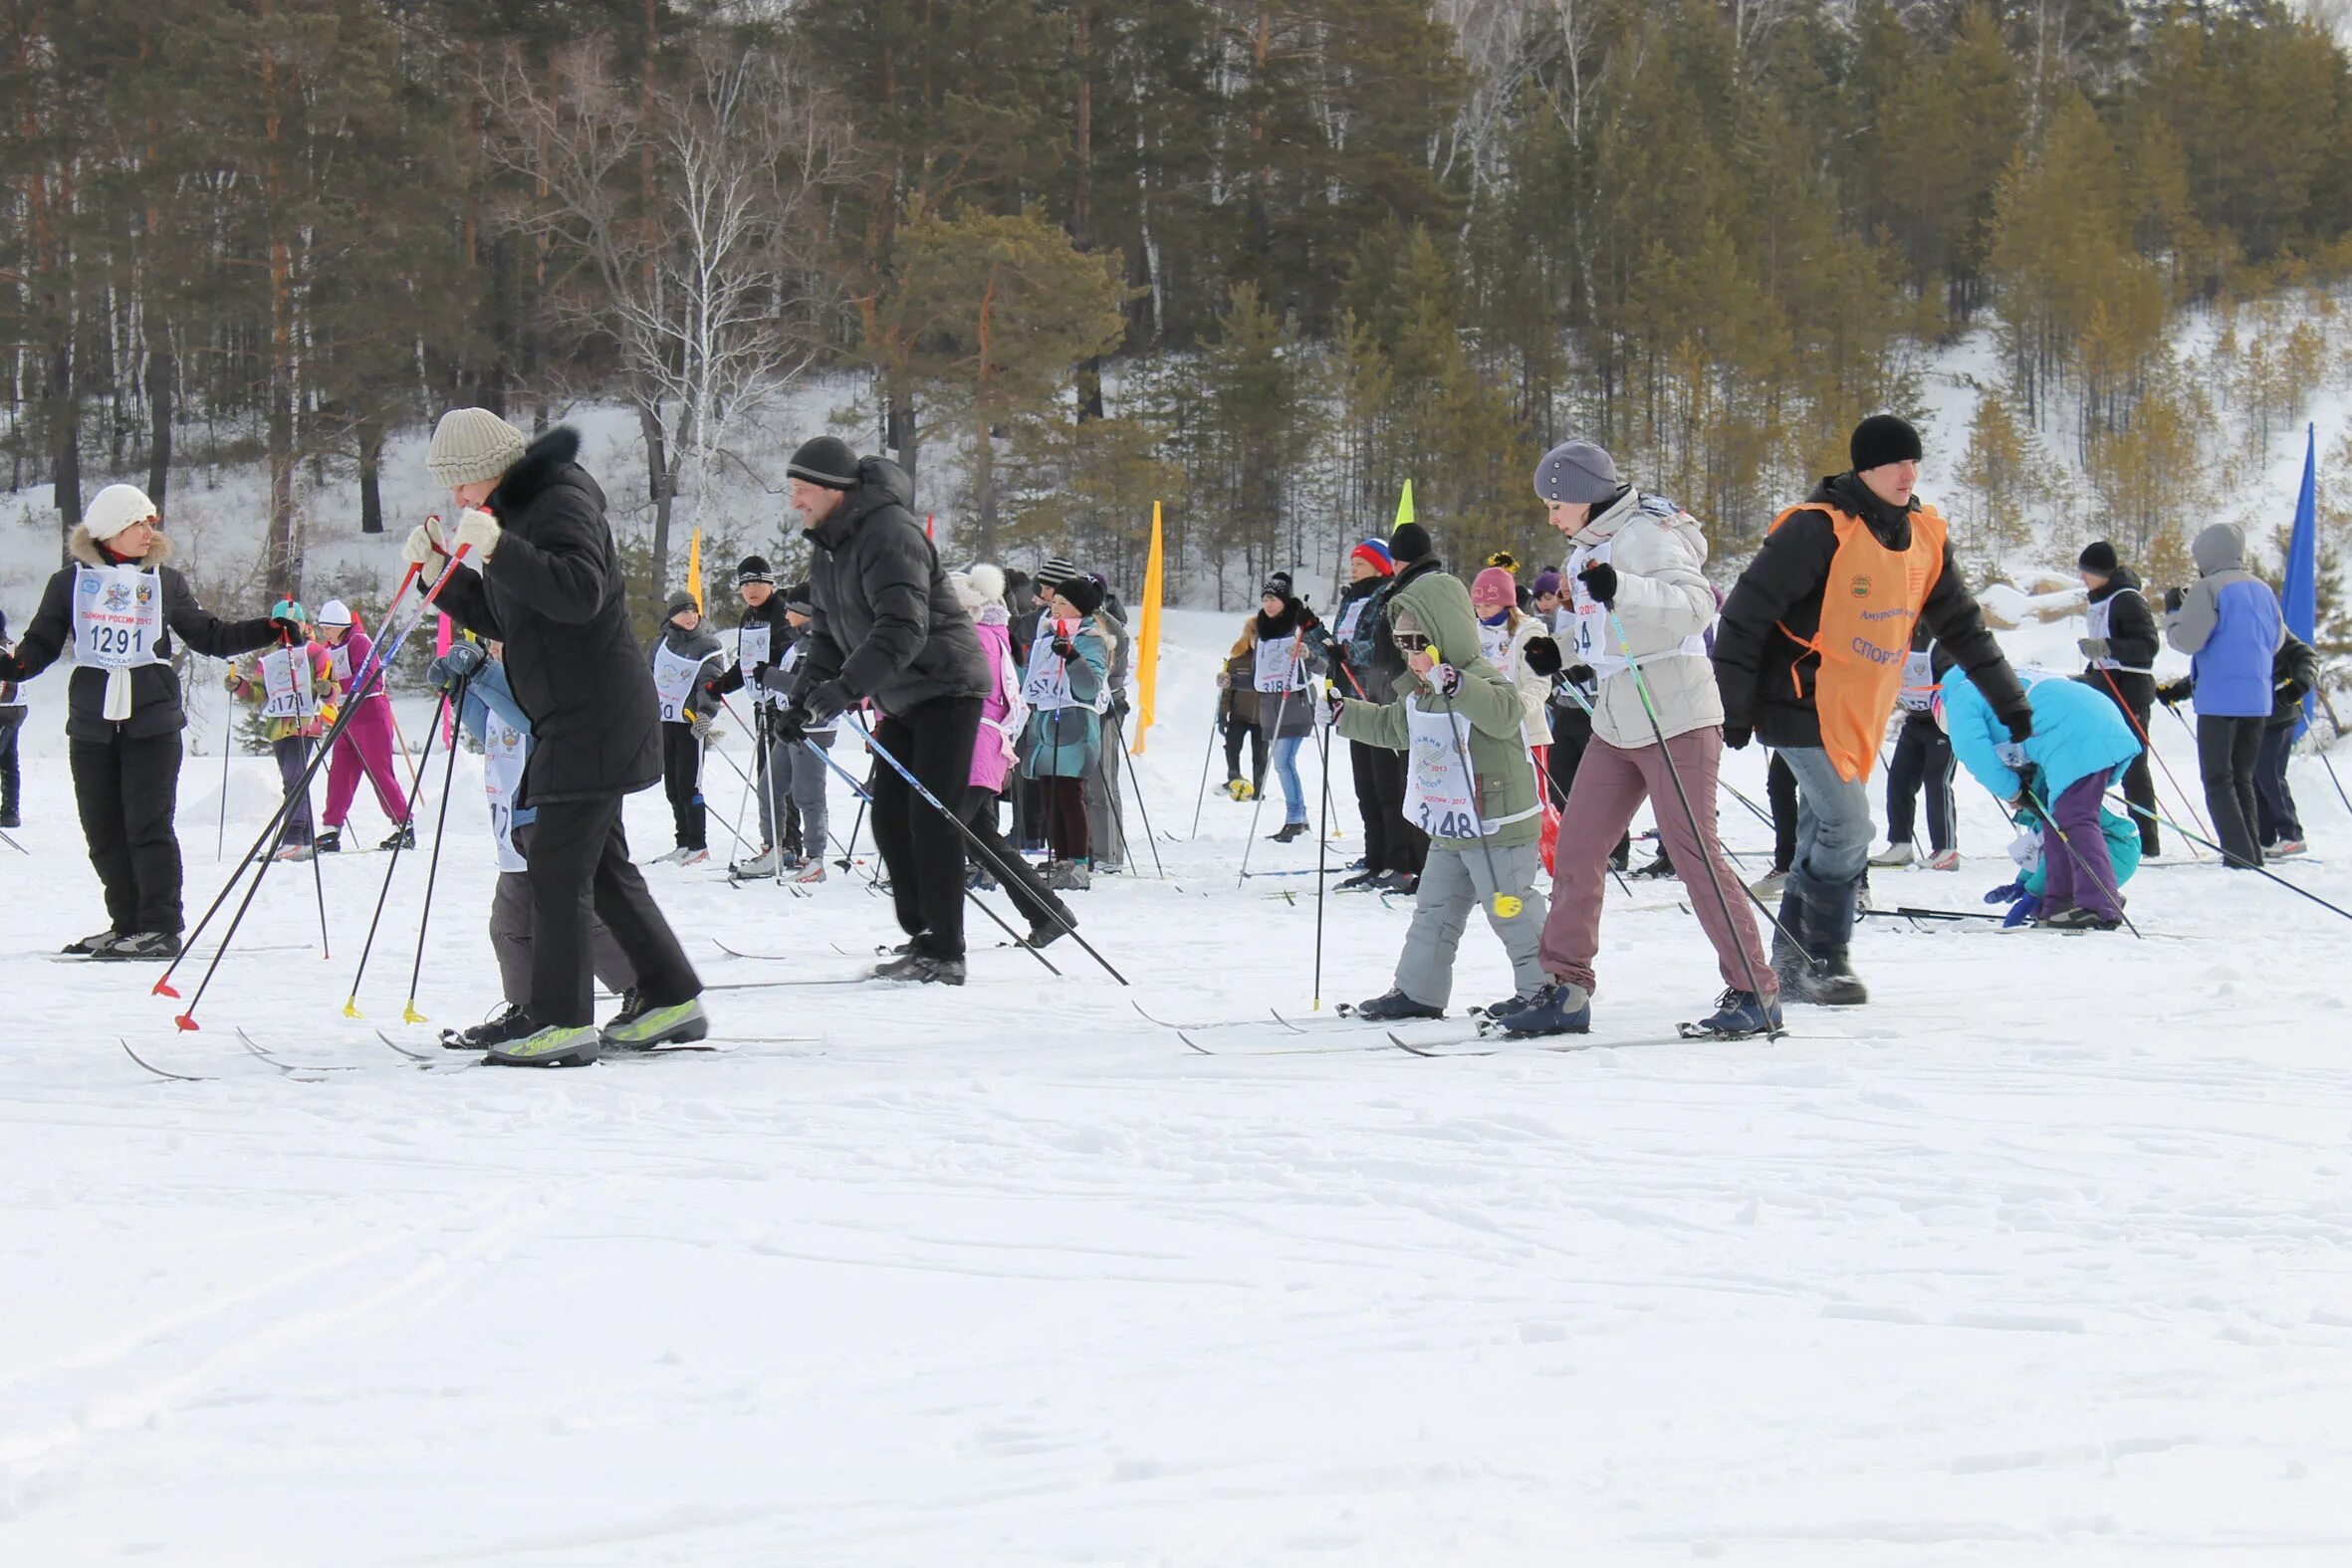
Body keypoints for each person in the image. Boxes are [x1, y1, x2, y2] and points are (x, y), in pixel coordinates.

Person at [406, 410, 706, 1063]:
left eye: (460, 482)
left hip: (592, 712)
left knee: (555, 864)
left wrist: (496, 549)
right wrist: (441, 574)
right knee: (599, 870)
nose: (457, 497)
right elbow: (510, 612)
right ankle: (671, 994)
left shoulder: (558, 500)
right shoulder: (518, 510)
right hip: (576, 713)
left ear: (492, 467)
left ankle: (561, 1019)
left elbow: (577, 592)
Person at [1713, 413, 2030, 1007]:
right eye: (1894, 462)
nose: (1908, 473)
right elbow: (1744, 615)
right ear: (1865, 468)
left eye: (1914, 462)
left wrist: (2008, 700)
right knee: (1849, 825)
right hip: (1796, 701)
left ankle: (1788, 956)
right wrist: (1732, 708)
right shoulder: (1816, 530)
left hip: (1861, 708)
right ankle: (1826, 959)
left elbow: (1961, 625)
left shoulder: (1923, 536)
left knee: (1819, 827)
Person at [1496, 442, 1777, 1040]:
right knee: (1577, 848)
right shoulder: (1590, 550)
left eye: (1554, 503)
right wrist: (1561, 652)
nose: (1550, 516)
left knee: (1693, 851)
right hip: (1618, 719)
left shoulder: (1645, 535)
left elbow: (1697, 606)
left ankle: (1755, 991)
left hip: (1676, 714)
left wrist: (1623, 586)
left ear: (1581, 494)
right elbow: (1608, 635)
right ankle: (1567, 989)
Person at [0, 482, 281, 959]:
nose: (150, 531)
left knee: (147, 825)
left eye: (152, 522)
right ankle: (126, 922)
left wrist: (270, 628)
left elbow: (210, 636)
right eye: (139, 522)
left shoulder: (165, 581)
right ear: (111, 529)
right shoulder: (68, 582)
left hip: (152, 722)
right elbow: (39, 648)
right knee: (102, 829)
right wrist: (12, 667)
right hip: (91, 724)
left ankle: (159, 926)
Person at [778, 435, 993, 985]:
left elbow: (903, 627)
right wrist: (802, 700)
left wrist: (847, 687)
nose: (796, 501)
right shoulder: (828, 547)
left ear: (833, 490)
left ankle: (947, 949)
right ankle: (924, 933)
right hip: (902, 694)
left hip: (946, 684)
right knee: (889, 816)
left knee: (930, 816)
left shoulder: (890, 534)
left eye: (803, 491)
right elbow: (827, 634)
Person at [1331, 576, 1548, 1018]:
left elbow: (1505, 713)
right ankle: (1419, 992)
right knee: (1435, 911)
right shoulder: (1422, 693)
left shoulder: (1481, 678)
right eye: (1404, 645)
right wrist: (1344, 714)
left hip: (1497, 822)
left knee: (1511, 908)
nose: (1412, 656)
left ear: (1446, 634)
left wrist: (1459, 686)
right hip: (1451, 820)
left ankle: (1548, 989)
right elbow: (1395, 727)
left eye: (1420, 643)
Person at [426, 638, 642, 1052]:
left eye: (504, 639)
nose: (496, 648)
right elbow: (494, 729)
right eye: (491, 641)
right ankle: (527, 1009)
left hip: (552, 810)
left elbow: (533, 720)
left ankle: (643, 986)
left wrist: (482, 675)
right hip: (512, 818)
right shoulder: (502, 680)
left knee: (574, 917)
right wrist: (460, 690)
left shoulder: (547, 679)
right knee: (510, 924)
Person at [1939, 667, 2138, 930]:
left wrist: (2013, 791)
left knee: (2073, 819)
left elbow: (1973, 752)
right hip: (2092, 723)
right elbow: (2048, 836)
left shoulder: (1962, 696)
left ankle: (2099, 904)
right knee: (2060, 821)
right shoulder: (1996, 678)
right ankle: (2059, 905)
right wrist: (2030, 887)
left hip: (2073, 734)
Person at [950, 563, 1073, 943]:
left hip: (973, 747)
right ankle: (1049, 912)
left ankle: (937, 932)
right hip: (977, 747)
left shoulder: (977, 639)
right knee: (980, 837)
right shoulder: (987, 633)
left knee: (939, 835)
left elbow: (961, 693)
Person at [2160, 522, 2283, 869]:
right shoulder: (2262, 589)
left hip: (2218, 699)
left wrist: (2173, 615)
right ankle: (2252, 850)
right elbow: (2277, 641)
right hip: (2258, 698)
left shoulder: (2208, 587)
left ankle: (2239, 856)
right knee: (2243, 777)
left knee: (2217, 778)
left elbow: (2188, 641)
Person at [1018, 572, 1115, 891]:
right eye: (1054, 602)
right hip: (1047, 719)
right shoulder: (1046, 636)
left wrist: (1071, 656)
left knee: (1069, 793)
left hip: (1074, 721)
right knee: (1048, 793)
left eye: (1062, 603)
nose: (1055, 608)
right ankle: (1059, 857)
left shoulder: (1091, 638)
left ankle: (1078, 861)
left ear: (1079, 608)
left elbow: (1089, 685)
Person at [224, 601, 339, 862]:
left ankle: (294, 836)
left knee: (295, 776)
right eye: (281, 626)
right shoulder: (269, 659)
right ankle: (305, 838)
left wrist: (324, 689)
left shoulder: (315, 652)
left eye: (293, 625)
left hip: (306, 721)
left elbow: (333, 688)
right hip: (279, 724)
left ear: (302, 624)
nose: (287, 631)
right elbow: (258, 692)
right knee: (293, 779)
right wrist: (238, 685)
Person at [707, 556, 800, 875]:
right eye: (746, 584)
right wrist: (722, 684)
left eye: (758, 583)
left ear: (771, 584)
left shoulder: (782, 613)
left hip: (785, 706)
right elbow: (746, 663)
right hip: (763, 706)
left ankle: (789, 845)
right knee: (767, 777)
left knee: (779, 778)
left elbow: (790, 658)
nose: (751, 590)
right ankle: (776, 843)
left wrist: (771, 676)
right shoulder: (750, 617)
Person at [1327, 538, 1409, 892]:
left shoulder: (1387, 596)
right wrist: (1313, 631)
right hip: (1352, 700)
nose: (1353, 567)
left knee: (1387, 786)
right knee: (1365, 788)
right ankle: (1374, 858)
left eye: (1360, 562)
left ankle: (1399, 861)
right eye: (1353, 562)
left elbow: (1381, 645)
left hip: (1379, 696)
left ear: (1380, 566)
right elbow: (1336, 648)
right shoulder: (1350, 599)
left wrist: (1344, 650)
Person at [2075, 541, 2161, 857]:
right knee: (2098, 764)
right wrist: (2088, 674)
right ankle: (2099, 836)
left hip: (2130, 692)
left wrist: (2107, 648)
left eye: (2086, 572)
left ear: (2101, 572)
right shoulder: (2101, 600)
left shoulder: (2127, 600)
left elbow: (2148, 646)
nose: (2082, 578)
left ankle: (2148, 842)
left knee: (2134, 767)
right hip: (2105, 689)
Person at [311, 599, 414, 853]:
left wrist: (336, 687)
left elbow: (371, 679)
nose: (326, 633)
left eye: (329, 628)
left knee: (379, 771)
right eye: (323, 628)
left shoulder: (359, 642)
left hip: (369, 713)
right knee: (340, 773)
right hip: (345, 716)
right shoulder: (329, 647)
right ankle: (330, 829)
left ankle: (404, 826)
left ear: (341, 625)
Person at [1869, 627, 1959, 870]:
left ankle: (1946, 849)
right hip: (1914, 719)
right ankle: (1900, 844)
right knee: (1899, 779)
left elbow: (1956, 678)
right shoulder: (1891, 638)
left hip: (1942, 723)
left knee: (1936, 781)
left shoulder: (1933, 641)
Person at [767, 585, 837, 881]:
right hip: (788, 725)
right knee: (770, 787)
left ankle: (816, 857)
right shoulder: (795, 644)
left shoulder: (822, 644)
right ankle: (774, 848)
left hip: (813, 728)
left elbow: (807, 687)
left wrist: (768, 676)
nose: (785, 614)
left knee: (807, 794)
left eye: (790, 609)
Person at [647, 589, 723, 867]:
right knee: (672, 787)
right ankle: (682, 842)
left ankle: (698, 844)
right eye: (683, 612)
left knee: (690, 784)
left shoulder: (707, 645)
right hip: (666, 722)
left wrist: (705, 713)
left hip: (691, 724)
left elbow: (711, 682)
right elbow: (648, 677)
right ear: (672, 616)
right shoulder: (661, 644)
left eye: (693, 611)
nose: (690, 617)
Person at [1249, 573, 1321, 843]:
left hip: (1296, 705)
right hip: (1271, 709)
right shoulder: (1262, 633)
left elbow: (1323, 666)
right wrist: (1231, 680)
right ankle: (1297, 819)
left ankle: (1296, 819)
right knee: (1282, 763)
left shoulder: (1298, 627)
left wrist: (1308, 655)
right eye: (1265, 599)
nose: (1268, 604)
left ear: (1284, 601)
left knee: (1282, 761)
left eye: (1273, 599)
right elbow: (1258, 676)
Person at [2257, 629, 2319, 856]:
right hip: (2252, 715)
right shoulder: (2231, 626)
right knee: (2254, 777)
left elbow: (2306, 656)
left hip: (2279, 712)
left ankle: (2291, 835)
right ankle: (2264, 837)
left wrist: (2299, 684)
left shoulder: (2272, 628)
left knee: (2268, 773)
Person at [1085, 575, 1131, 874]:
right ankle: (1094, 847)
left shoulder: (1109, 624)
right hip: (1088, 707)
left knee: (1104, 781)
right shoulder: (1085, 622)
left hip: (1109, 707)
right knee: (1089, 781)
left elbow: (1116, 660)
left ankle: (1109, 852)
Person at [1215, 630, 1267, 800]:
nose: (1257, 642)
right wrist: (1222, 715)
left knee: (1260, 754)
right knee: (1232, 746)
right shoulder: (1237, 661)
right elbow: (1227, 692)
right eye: (1255, 638)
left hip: (1263, 718)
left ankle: (1258, 788)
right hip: (1239, 715)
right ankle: (1234, 778)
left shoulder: (1272, 663)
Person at [1, 608, 26, 828]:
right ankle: (10, 812)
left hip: (3, 709)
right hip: (17, 709)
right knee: (9, 760)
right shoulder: (11, 645)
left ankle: (10, 812)